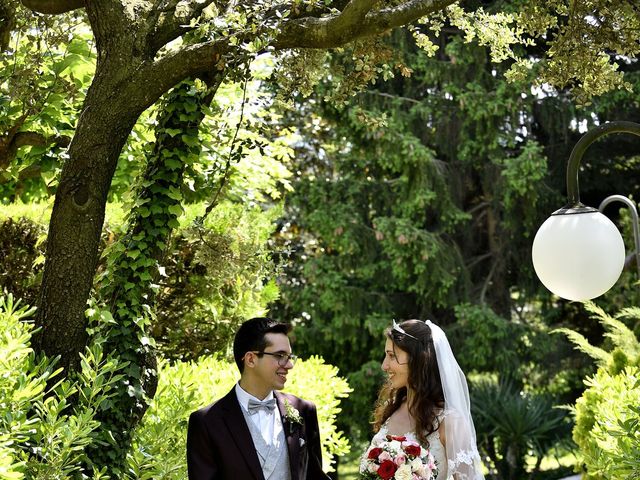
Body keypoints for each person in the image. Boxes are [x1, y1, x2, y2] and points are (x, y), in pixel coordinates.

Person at [187, 317, 329, 480]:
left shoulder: (304, 410)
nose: (289, 365)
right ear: (251, 359)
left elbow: (315, 475)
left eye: (290, 357)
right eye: (280, 355)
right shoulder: (207, 422)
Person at [362, 319, 484, 480]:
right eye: (386, 355)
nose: (384, 366)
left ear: (418, 360)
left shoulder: (450, 422)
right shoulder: (391, 408)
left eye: (392, 356)